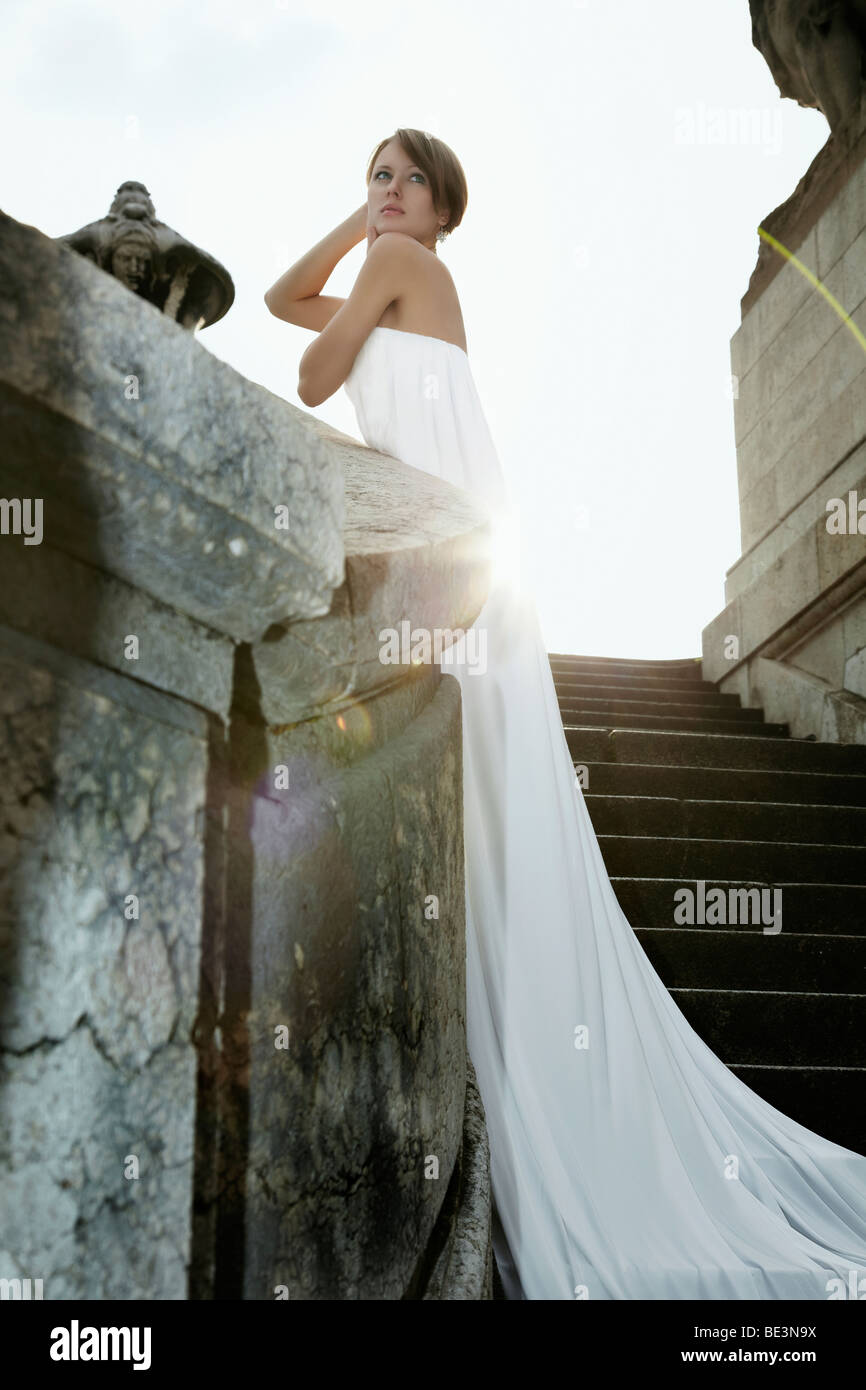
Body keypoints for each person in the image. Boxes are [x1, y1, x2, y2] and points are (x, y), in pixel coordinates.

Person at [265, 127, 866, 1300]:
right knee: (489, 830)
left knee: (486, 822)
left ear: (445, 208)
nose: (384, 193)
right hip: (466, 555)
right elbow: (293, 296)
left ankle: (521, 1085)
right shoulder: (395, 268)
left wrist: (375, 244)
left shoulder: (409, 273)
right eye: (371, 177)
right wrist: (357, 225)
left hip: (455, 568)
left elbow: (306, 374)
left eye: (405, 180)